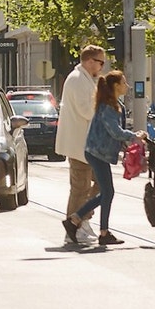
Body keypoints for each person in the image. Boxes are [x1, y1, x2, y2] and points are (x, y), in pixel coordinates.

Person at [64, 70, 147, 248]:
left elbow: (115, 134)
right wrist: (134, 136)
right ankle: (79, 222)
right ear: (116, 86)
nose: (128, 86)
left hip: (98, 152)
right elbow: (115, 131)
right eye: (124, 83)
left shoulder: (113, 104)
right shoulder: (108, 107)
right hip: (96, 153)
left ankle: (97, 229)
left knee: (107, 193)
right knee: (108, 193)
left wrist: (129, 142)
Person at [56, 44, 107, 244]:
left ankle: (82, 219)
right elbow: (86, 111)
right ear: (89, 61)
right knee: (80, 187)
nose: (102, 66)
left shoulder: (86, 80)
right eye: (100, 62)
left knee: (100, 184)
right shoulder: (77, 80)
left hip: (88, 145)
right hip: (80, 145)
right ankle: (73, 228)